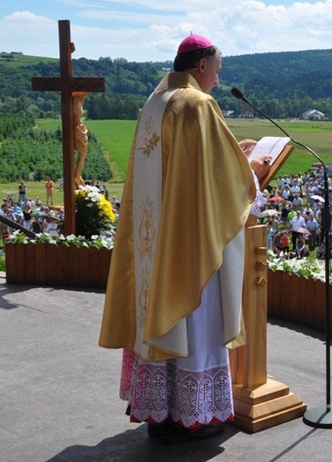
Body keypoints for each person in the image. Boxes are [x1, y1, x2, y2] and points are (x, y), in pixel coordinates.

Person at [99, 34, 271, 443]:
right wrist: (254, 171)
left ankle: (160, 412)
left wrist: (235, 153)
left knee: (158, 316)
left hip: (153, 239)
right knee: (198, 320)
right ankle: (195, 415)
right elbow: (216, 184)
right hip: (191, 242)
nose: (216, 79)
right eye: (216, 71)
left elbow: (190, 167)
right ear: (200, 67)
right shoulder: (197, 104)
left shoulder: (156, 101)